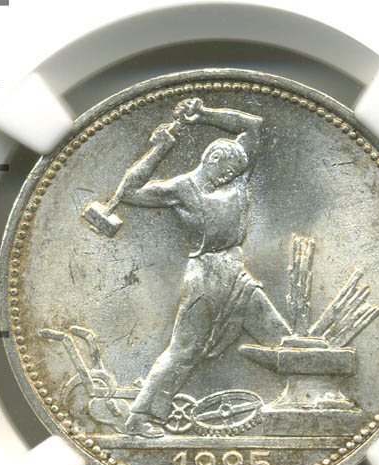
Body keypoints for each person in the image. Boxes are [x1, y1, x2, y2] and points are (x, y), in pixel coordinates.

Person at [109, 97, 291, 437]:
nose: (234, 176)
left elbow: (251, 125)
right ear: (213, 159)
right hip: (205, 277)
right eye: (229, 170)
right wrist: (159, 150)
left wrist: (203, 114)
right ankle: (139, 417)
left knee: (279, 336)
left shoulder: (237, 179)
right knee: (184, 350)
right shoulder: (182, 188)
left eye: (238, 172)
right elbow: (129, 192)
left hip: (236, 272)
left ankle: (300, 402)